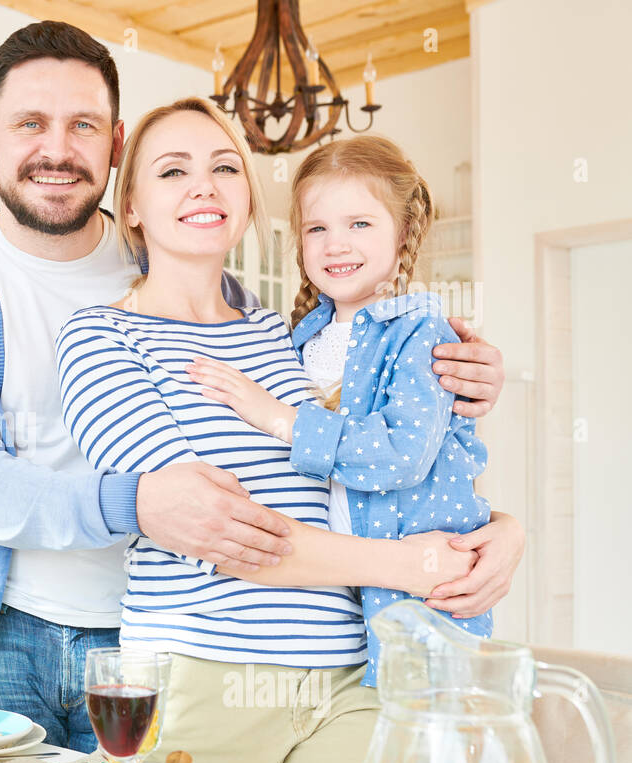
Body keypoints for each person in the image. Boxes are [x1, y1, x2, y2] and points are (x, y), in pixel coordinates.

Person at [0, 20, 516, 752]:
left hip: (159, 639)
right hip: (19, 628)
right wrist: (146, 503)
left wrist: (495, 524)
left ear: (114, 147)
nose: (56, 149)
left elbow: (349, 464)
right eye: (30, 123)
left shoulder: (254, 316)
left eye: (81, 124)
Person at [57, 98, 488, 763]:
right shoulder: (101, 338)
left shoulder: (294, 336)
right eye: (173, 172)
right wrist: (417, 566)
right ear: (130, 206)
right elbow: (222, 533)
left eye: (225, 166)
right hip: (206, 680)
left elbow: (388, 470)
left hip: (350, 674)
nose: (204, 185)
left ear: (249, 198)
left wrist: (502, 532)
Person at [186, 136, 493, 688]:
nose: (336, 245)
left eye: (360, 224)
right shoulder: (301, 337)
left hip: (425, 592)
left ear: (403, 236)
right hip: (338, 602)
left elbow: (400, 457)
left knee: (425, 751)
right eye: (317, 228)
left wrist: (281, 418)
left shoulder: (420, 332)